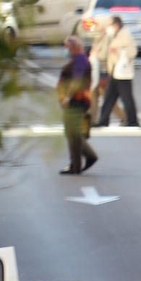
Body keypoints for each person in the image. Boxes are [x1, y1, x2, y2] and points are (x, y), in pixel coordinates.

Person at [56, 36, 98, 176]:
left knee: (73, 132)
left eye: (67, 47)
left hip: (76, 101)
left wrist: (68, 97)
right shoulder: (78, 59)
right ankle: (79, 163)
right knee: (72, 132)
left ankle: (79, 163)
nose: (66, 50)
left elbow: (77, 80)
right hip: (76, 100)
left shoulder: (80, 60)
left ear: (73, 47)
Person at [95, 16, 138, 128]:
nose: (109, 28)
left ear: (116, 25)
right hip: (115, 71)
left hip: (123, 73)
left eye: (110, 25)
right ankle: (104, 121)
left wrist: (117, 51)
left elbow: (132, 52)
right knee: (109, 98)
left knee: (126, 98)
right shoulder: (114, 35)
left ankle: (133, 121)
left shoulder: (125, 35)